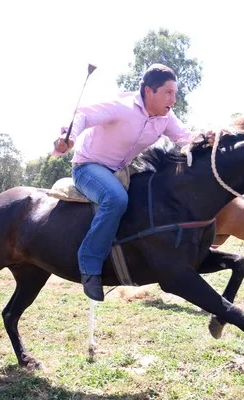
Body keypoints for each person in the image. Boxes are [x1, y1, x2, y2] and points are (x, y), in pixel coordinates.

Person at [53, 63, 207, 302]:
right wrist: (69, 137)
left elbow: (185, 137)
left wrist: (208, 138)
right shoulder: (122, 106)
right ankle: (89, 265)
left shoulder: (165, 117)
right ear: (148, 91)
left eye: (174, 93)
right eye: (168, 92)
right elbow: (84, 114)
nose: (173, 99)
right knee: (115, 199)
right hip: (88, 167)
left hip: (120, 170)